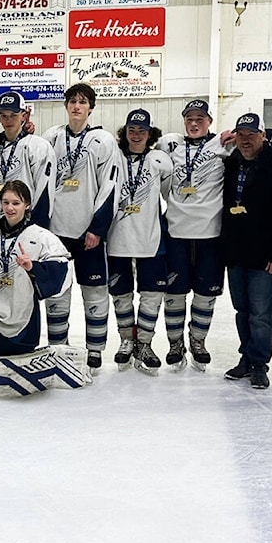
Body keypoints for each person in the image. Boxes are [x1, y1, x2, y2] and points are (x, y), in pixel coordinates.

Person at [42, 83, 118, 372]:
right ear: (65, 105)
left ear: (91, 107)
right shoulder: (52, 137)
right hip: (56, 231)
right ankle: (58, 347)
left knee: (94, 291)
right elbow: (41, 183)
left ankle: (95, 350)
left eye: (82, 102)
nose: (76, 106)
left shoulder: (102, 140)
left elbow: (110, 185)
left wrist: (98, 228)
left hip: (88, 231)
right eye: (72, 101)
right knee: (57, 291)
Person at [221, 113, 272, 389]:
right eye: (240, 134)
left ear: (263, 136)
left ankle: (259, 364)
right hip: (236, 254)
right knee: (241, 310)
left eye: (251, 134)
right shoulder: (231, 164)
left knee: (261, 314)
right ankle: (246, 357)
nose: (245, 140)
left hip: (265, 257)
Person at [154, 100, 230, 371]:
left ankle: (198, 340)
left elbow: (258, 146)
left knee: (204, 294)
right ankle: (176, 343)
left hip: (211, 234)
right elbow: (137, 143)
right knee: (174, 293)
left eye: (200, 118)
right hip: (176, 231)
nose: (194, 123)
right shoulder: (170, 145)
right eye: (189, 119)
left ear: (210, 120)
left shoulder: (224, 144)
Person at [0, 180, 71, 356]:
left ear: (27, 205)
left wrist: (34, 267)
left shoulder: (40, 236)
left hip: (17, 312)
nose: (10, 208)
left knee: (6, 358)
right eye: (6, 202)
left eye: (16, 203)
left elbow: (62, 270)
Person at [106, 109, 173, 375]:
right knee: (121, 295)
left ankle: (144, 343)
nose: (136, 135)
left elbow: (172, 197)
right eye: (132, 130)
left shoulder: (159, 160)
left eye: (141, 131)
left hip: (150, 239)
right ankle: (126, 340)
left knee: (151, 295)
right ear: (125, 132)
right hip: (117, 238)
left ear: (150, 133)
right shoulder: (114, 157)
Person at [0, 91, 55, 228]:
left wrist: (37, 227)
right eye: (3, 115)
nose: (8, 120)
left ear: (23, 116)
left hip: (24, 224)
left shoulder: (38, 146)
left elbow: (44, 191)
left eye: (13, 115)